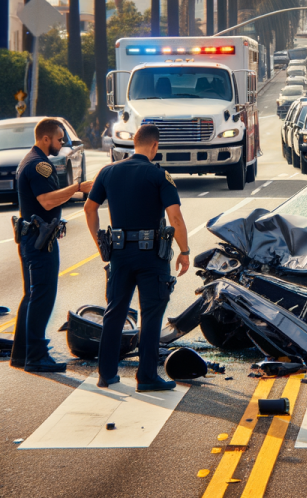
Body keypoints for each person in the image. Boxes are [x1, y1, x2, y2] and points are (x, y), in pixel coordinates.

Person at [84, 124, 190, 392]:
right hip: (151, 256)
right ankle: (146, 377)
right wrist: (185, 252)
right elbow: (175, 217)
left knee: (115, 311)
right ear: (154, 146)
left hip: (119, 253)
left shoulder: (107, 172)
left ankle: (106, 374)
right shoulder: (158, 175)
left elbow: (89, 208)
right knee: (151, 313)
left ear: (134, 143)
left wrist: (101, 244)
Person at [11, 119, 94, 373]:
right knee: (42, 296)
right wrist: (78, 188)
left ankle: (22, 353)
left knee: (31, 295)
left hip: (30, 237)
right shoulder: (40, 165)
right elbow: (46, 202)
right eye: (59, 139)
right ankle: (36, 356)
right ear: (45, 138)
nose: (62, 143)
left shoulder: (28, 160)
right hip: (40, 241)